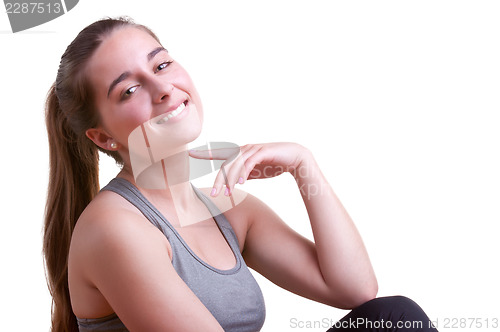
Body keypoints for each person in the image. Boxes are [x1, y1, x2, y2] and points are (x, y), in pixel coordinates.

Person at [43, 17, 438, 332]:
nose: (162, 87)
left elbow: (355, 289)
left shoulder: (227, 208)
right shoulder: (115, 230)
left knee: (392, 318)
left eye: (162, 64)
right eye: (128, 90)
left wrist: (304, 165)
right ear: (103, 137)